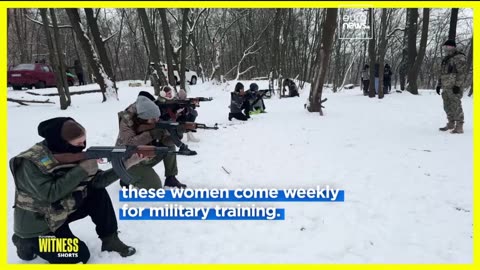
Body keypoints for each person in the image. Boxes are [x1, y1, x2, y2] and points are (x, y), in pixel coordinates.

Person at [10, 117, 141, 264]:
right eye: (79, 143)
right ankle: (26, 243)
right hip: (39, 226)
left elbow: (97, 181)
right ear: (61, 142)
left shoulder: (69, 152)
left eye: (84, 142)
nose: (83, 146)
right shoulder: (30, 163)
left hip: (59, 213)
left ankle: (110, 239)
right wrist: (81, 170)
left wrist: (126, 164)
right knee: (78, 255)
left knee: (97, 192)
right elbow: (49, 194)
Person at [116, 91, 190, 189]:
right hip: (128, 161)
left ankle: (170, 178)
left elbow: (167, 140)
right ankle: (127, 177)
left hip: (144, 155)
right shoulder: (127, 120)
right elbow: (128, 145)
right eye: (153, 119)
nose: (156, 121)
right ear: (143, 118)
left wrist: (177, 133)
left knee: (169, 146)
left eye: (157, 119)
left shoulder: (150, 113)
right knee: (154, 187)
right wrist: (150, 134)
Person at [436, 39, 467, 134]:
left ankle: (459, 126)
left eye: (449, 47)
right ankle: (451, 123)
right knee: (447, 105)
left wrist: (457, 85)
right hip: (446, 86)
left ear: (454, 47)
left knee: (456, 105)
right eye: (445, 47)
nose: (447, 49)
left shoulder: (459, 58)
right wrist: (439, 84)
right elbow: (442, 73)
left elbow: (462, 73)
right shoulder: (446, 59)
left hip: (454, 86)